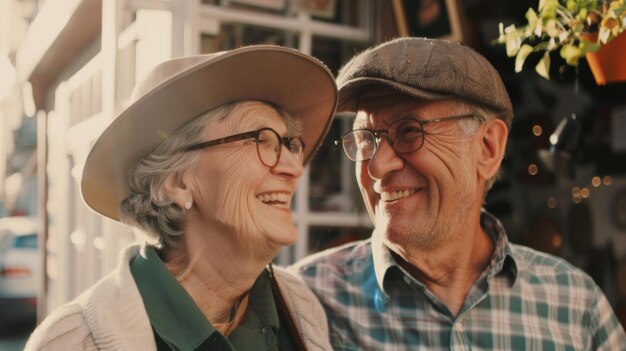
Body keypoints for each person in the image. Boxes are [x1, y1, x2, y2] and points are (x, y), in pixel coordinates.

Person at [293, 37, 626, 350]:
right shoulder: (304, 302)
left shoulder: (576, 305)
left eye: (409, 131)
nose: (377, 167)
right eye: (366, 139)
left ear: (487, 148)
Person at [26, 45, 337, 350]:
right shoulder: (74, 342)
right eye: (261, 139)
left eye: (289, 144)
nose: (295, 167)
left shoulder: (299, 305)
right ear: (176, 183)